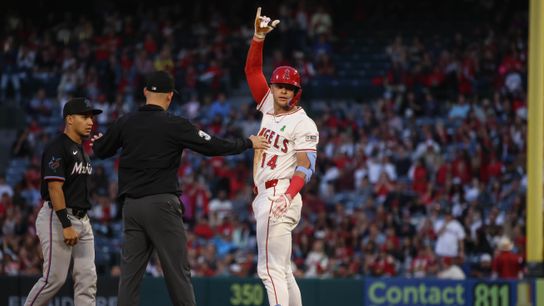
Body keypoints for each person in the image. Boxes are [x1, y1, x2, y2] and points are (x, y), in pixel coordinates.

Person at [91, 70, 269, 306]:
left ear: (145, 92)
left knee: (130, 277)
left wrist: (99, 141)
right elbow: (213, 145)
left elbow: (101, 149)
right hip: (161, 205)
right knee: (177, 272)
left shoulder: (126, 121)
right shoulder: (174, 124)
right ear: (170, 97)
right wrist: (248, 143)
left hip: (132, 207)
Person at [245, 8, 319, 306]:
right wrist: (258, 39)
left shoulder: (304, 122)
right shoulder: (267, 106)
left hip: (280, 193)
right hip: (270, 193)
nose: (284, 91)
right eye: (280, 86)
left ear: (296, 91)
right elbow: (252, 72)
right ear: (273, 88)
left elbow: (307, 166)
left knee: (268, 270)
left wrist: (287, 196)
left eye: (290, 88)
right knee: (283, 271)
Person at [25, 98, 102, 306]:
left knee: (87, 279)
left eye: (92, 117)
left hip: (83, 219)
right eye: (85, 116)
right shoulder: (57, 147)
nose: (90, 122)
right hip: (58, 217)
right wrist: (66, 224)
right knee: (54, 279)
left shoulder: (82, 150)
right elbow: (54, 188)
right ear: (69, 119)